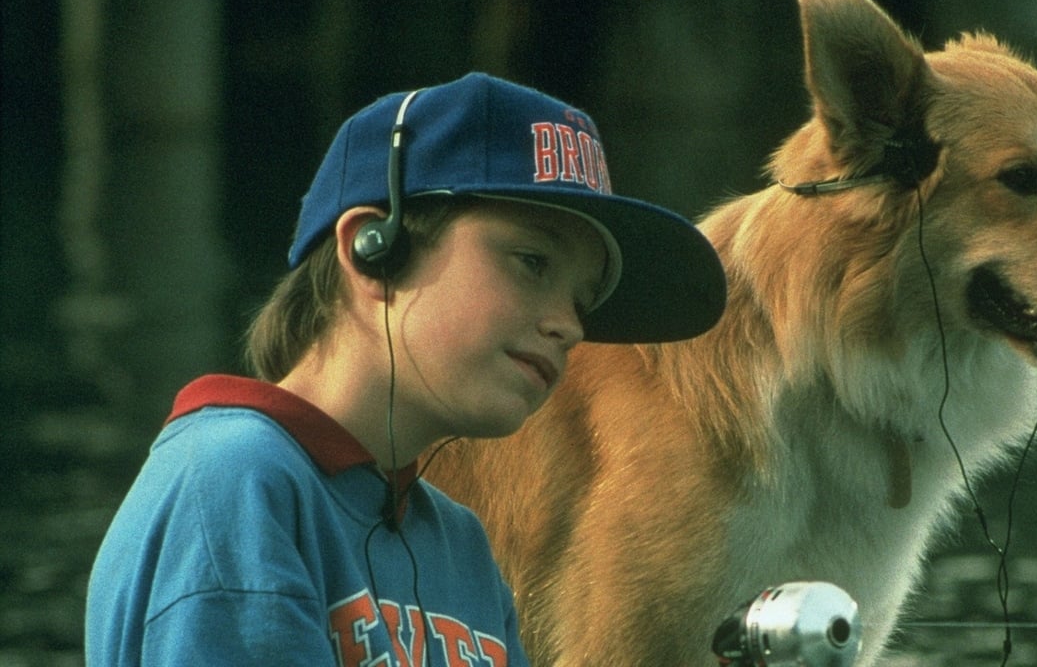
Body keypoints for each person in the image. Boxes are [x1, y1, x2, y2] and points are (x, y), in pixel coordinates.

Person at [85, 72, 726, 666]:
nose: (571, 326)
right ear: (374, 252)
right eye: (532, 262)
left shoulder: (459, 543)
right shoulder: (237, 482)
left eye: (583, 301)